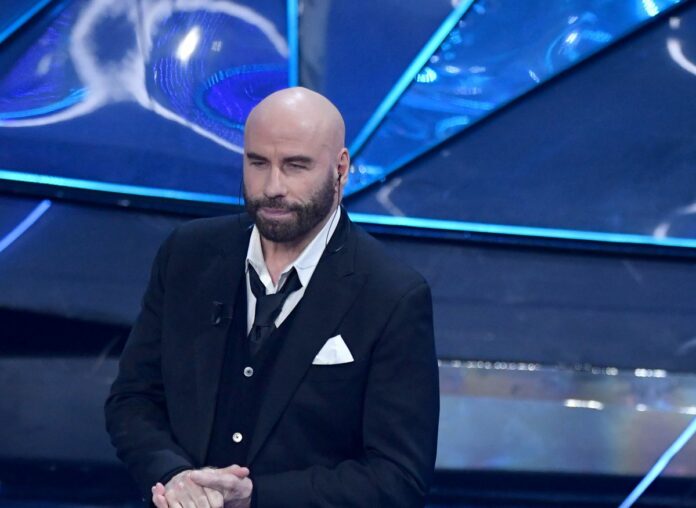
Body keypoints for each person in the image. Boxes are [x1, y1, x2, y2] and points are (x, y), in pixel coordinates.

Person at [105, 87, 440, 508]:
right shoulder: (187, 255)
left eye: (296, 166)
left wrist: (256, 497)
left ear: (341, 169)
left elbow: (397, 477)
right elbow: (133, 399)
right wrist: (174, 476)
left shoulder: (391, 294)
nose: (272, 186)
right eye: (257, 163)